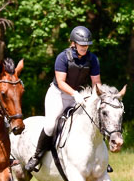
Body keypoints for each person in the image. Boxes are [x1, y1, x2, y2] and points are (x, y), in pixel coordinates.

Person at [25, 25, 101, 172]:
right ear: (73, 43)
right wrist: (75, 94)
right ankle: (36, 156)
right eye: (82, 44)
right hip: (58, 95)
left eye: (87, 45)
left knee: (93, 122)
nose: (85, 47)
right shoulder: (63, 57)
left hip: (79, 95)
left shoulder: (92, 59)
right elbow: (61, 82)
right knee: (51, 126)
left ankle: (99, 159)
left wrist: (97, 97)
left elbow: (96, 83)